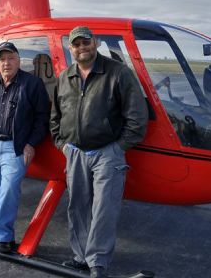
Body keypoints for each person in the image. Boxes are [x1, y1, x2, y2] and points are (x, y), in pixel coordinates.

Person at [50, 26, 148, 277]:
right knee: (78, 207)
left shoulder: (118, 73)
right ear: (70, 48)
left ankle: (98, 263)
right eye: (77, 44)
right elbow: (55, 116)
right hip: (75, 153)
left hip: (107, 153)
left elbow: (137, 119)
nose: (82, 48)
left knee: (104, 209)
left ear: (96, 43)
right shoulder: (65, 77)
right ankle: (81, 257)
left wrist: (117, 148)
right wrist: (62, 145)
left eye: (86, 42)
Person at [0, 41, 50, 253]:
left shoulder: (32, 84)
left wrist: (31, 143)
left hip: (15, 147)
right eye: (2, 59)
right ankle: (0, 235)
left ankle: (3, 236)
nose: (7, 63)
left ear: (18, 61)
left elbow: (42, 118)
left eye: (11, 58)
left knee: (8, 190)